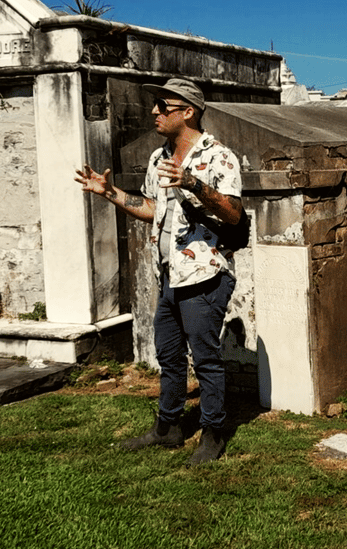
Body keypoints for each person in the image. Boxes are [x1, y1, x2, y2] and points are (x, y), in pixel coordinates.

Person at [74, 77, 242, 465]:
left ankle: (213, 433)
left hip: (204, 275)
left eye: (163, 106)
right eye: (156, 105)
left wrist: (194, 183)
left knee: (206, 360)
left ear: (188, 112)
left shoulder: (219, 157)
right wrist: (109, 193)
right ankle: (168, 428)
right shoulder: (158, 157)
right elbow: (153, 208)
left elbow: (233, 214)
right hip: (169, 274)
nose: (154, 111)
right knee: (168, 355)